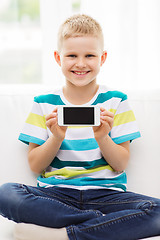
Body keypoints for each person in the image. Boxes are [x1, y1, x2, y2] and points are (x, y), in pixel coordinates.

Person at [0, 14, 160, 240]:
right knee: (6, 194)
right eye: (72, 55)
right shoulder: (43, 103)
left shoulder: (116, 101)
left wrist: (103, 137)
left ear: (102, 58)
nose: (81, 63)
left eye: (90, 55)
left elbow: (121, 163)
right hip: (56, 195)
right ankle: (102, 222)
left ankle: (66, 234)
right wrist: (55, 137)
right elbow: (35, 165)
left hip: (106, 194)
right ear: (58, 58)